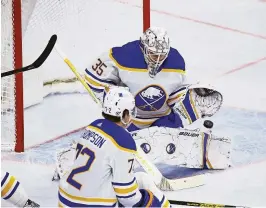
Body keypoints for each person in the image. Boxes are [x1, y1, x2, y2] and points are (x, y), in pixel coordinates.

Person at [84, 26, 222, 132]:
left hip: (162, 122)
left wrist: (188, 97)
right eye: (153, 54)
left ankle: (169, 132)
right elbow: (94, 79)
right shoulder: (124, 55)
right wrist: (114, 99)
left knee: (194, 98)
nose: (158, 59)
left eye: (162, 55)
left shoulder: (176, 62)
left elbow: (175, 93)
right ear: (143, 48)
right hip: (128, 121)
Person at [58, 87, 170, 207]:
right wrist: (147, 199)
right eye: (130, 112)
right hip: (92, 205)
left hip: (64, 200)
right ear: (124, 114)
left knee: (140, 179)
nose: (131, 117)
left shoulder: (93, 126)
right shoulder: (123, 141)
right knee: (144, 186)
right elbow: (128, 198)